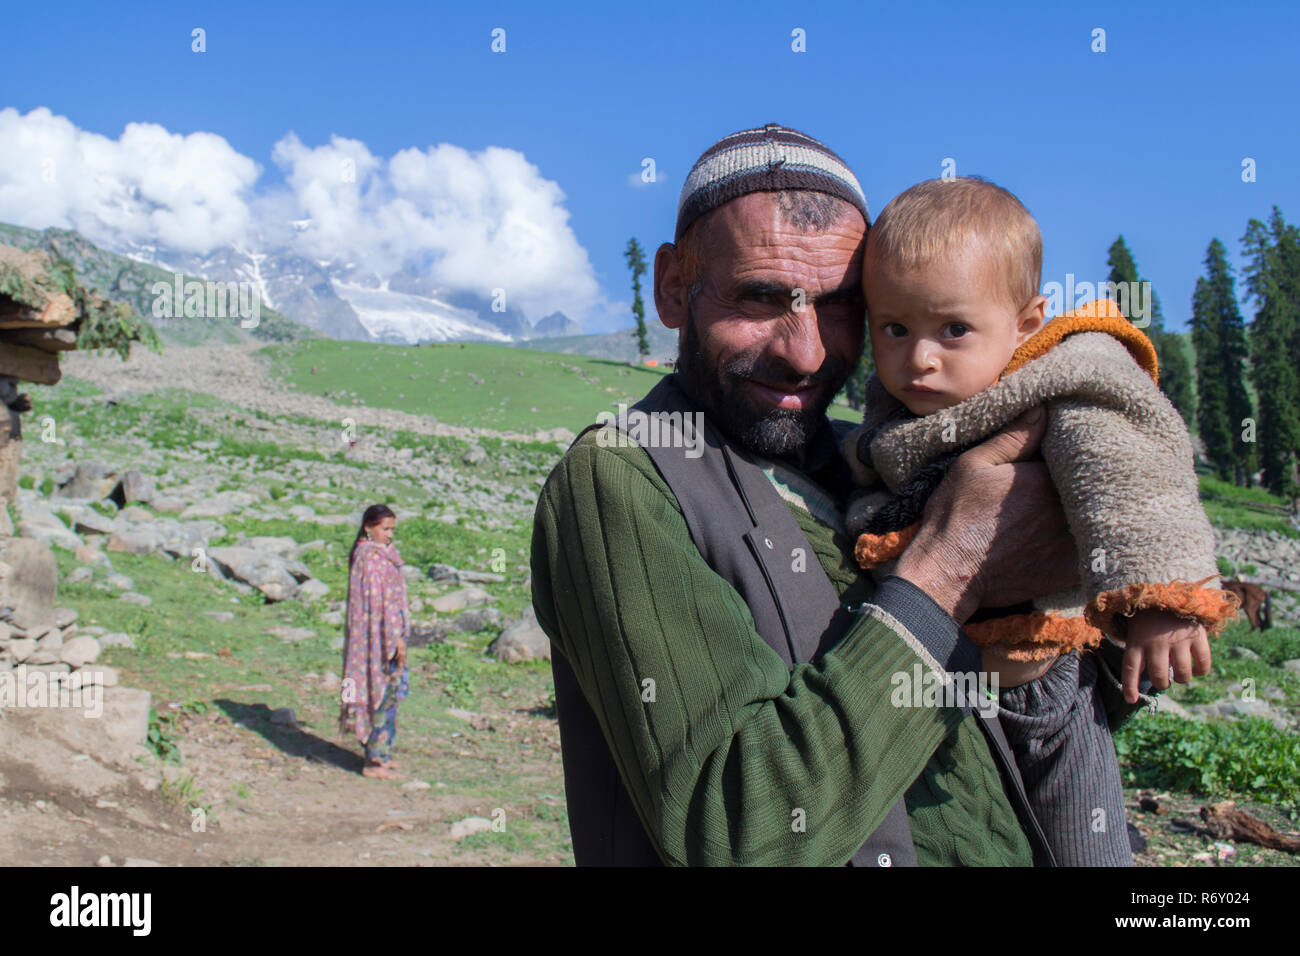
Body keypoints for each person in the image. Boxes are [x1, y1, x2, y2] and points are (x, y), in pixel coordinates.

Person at [531, 124, 1113, 866]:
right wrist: (949, 569)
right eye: (761, 298)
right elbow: (738, 832)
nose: (805, 353)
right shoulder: (622, 478)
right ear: (674, 287)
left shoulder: (877, 462)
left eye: (837, 305)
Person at [842, 176, 1238, 864]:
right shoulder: (906, 412)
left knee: (1088, 849)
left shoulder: (1062, 384)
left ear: (1026, 323)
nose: (920, 357)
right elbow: (887, 475)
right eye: (895, 329)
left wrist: (1162, 592)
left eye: (954, 329)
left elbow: (1130, 469)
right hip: (941, 687)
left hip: (1049, 689)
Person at [339, 504, 410, 780]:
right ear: (369, 528)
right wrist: (396, 641)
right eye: (385, 529)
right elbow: (380, 606)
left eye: (392, 529)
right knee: (377, 693)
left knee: (389, 696)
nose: (390, 535)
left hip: (385, 636)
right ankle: (373, 761)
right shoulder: (369, 559)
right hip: (376, 641)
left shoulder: (382, 555)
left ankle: (383, 754)